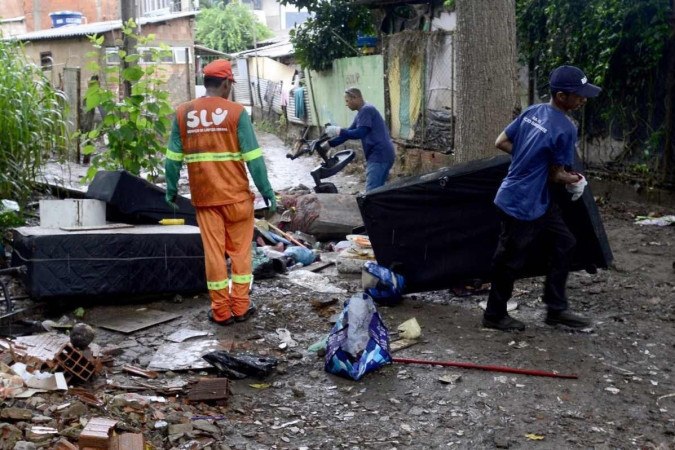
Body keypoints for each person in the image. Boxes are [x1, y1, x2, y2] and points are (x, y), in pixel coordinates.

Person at [482, 65, 600, 332]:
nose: (583, 99)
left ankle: (555, 309)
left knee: (565, 243)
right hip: (521, 204)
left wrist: (529, 158)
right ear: (561, 96)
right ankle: (494, 315)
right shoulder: (566, 128)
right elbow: (557, 175)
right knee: (508, 261)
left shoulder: (533, 111)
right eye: (579, 95)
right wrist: (576, 180)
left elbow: (500, 141)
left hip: (535, 200)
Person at [164, 59, 276, 326]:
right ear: (226, 83)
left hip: (205, 200)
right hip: (237, 199)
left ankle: (221, 312)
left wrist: (170, 192)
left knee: (213, 255)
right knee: (240, 254)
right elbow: (255, 159)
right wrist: (268, 192)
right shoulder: (237, 113)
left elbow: (171, 160)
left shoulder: (183, 113)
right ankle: (240, 307)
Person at [324, 88, 395, 192]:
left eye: (347, 101)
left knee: (371, 193)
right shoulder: (362, 112)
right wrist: (329, 144)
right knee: (378, 191)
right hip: (383, 154)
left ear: (355, 98)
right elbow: (348, 132)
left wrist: (338, 130)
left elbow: (360, 133)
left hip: (379, 155)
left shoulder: (366, 110)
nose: (346, 105)